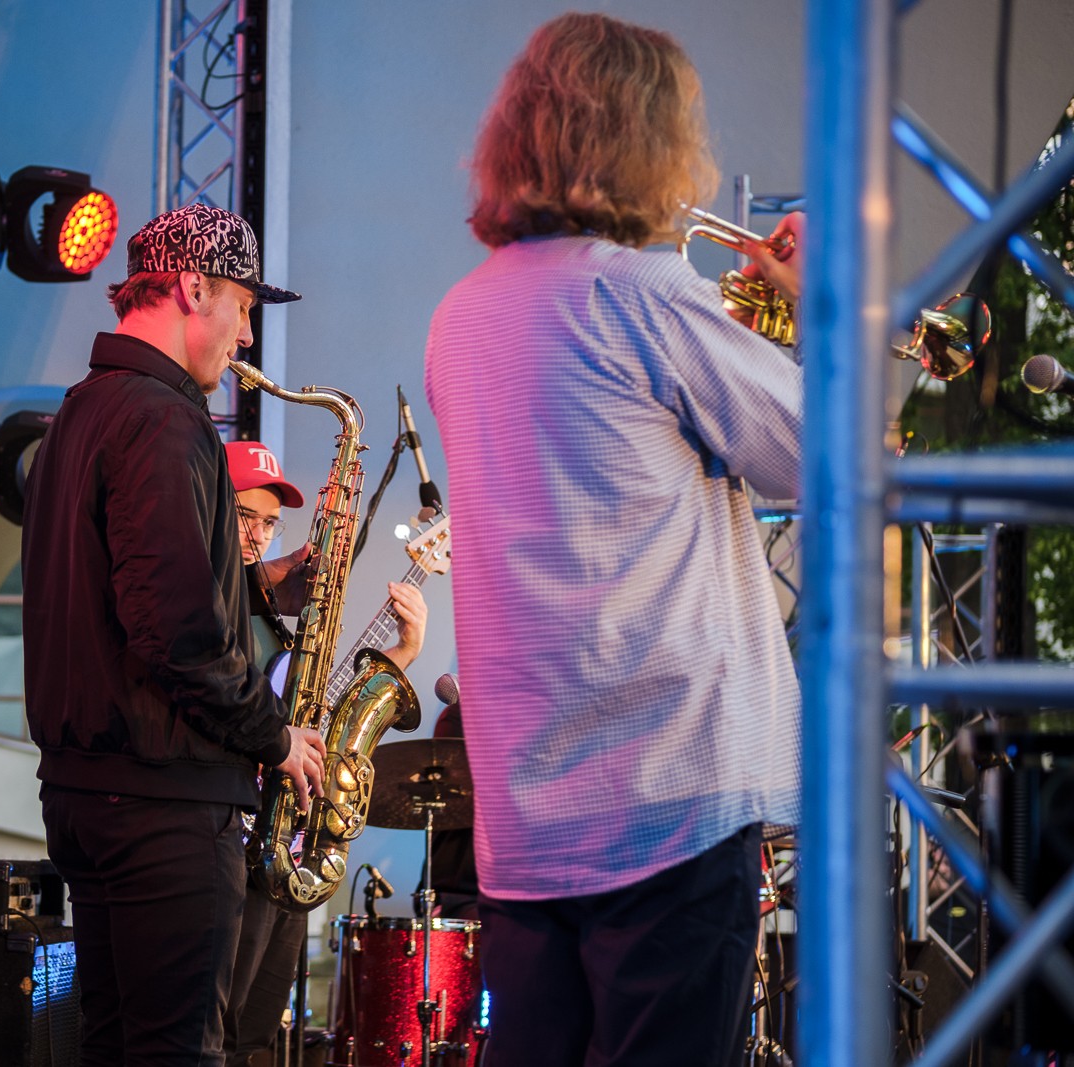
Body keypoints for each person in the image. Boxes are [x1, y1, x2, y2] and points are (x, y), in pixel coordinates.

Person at [422, 14, 805, 1067]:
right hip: (670, 797)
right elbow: (827, 455)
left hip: (529, 821)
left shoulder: (460, 315)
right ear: (649, 144)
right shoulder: (639, 293)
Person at [21, 204, 327, 1067]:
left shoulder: (80, 411)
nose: (246, 336)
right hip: (163, 807)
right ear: (193, 287)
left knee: (116, 1047)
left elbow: (123, 599)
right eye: (243, 306)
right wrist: (275, 737)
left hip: (90, 794)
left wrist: (254, 585)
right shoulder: (164, 417)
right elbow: (178, 633)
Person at [220, 439, 429, 1067]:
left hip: (283, 843)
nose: (260, 537)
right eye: (245, 516)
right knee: (211, 1031)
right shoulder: (204, 603)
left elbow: (321, 724)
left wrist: (402, 653)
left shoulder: (266, 616)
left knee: (251, 1033)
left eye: (270, 524)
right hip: (229, 839)